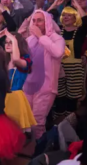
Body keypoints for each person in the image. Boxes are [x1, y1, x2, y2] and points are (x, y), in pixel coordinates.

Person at [22, 10, 66, 139]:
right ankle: (29, 147)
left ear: (47, 22)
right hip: (28, 86)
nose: (36, 23)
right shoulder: (29, 39)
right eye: (34, 20)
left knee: (37, 122)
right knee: (26, 121)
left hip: (46, 87)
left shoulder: (57, 38)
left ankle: (38, 148)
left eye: (39, 20)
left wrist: (41, 37)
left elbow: (58, 53)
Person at [0, 29, 36, 131]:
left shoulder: (25, 60)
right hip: (2, 98)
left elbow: (16, 59)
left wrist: (14, 39)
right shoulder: (4, 61)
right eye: (6, 42)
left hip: (15, 99)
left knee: (14, 130)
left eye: (11, 42)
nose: (7, 45)